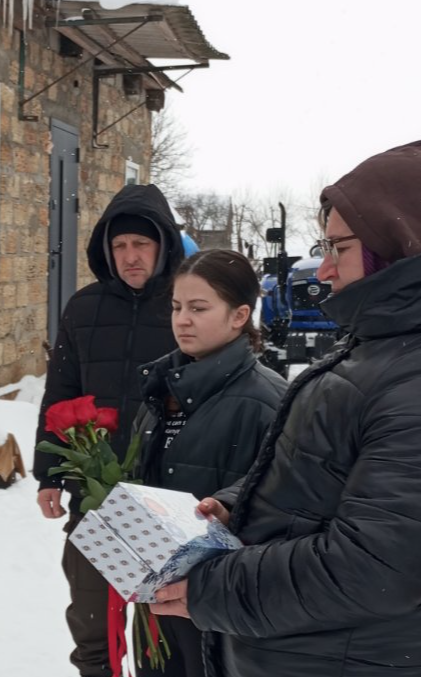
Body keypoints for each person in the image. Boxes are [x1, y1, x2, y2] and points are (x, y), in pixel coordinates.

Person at [149, 138, 421, 677]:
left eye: (338, 248)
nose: (322, 270)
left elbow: (375, 567)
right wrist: (239, 505)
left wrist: (213, 585)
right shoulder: (400, 345)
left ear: (397, 249)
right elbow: (334, 478)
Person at [34, 183, 185, 677]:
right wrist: (50, 473)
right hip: (96, 496)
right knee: (94, 623)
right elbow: (61, 392)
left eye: (141, 244)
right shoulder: (84, 307)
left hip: (169, 499)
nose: (130, 256)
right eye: (119, 246)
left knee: (163, 629)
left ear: (163, 245)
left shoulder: (187, 305)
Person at [129, 250, 287, 677]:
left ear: (239, 316)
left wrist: (227, 511)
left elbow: (283, 498)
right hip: (159, 595)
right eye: (177, 307)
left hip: (222, 603)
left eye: (199, 308)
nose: (182, 320)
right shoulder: (161, 389)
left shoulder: (269, 399)